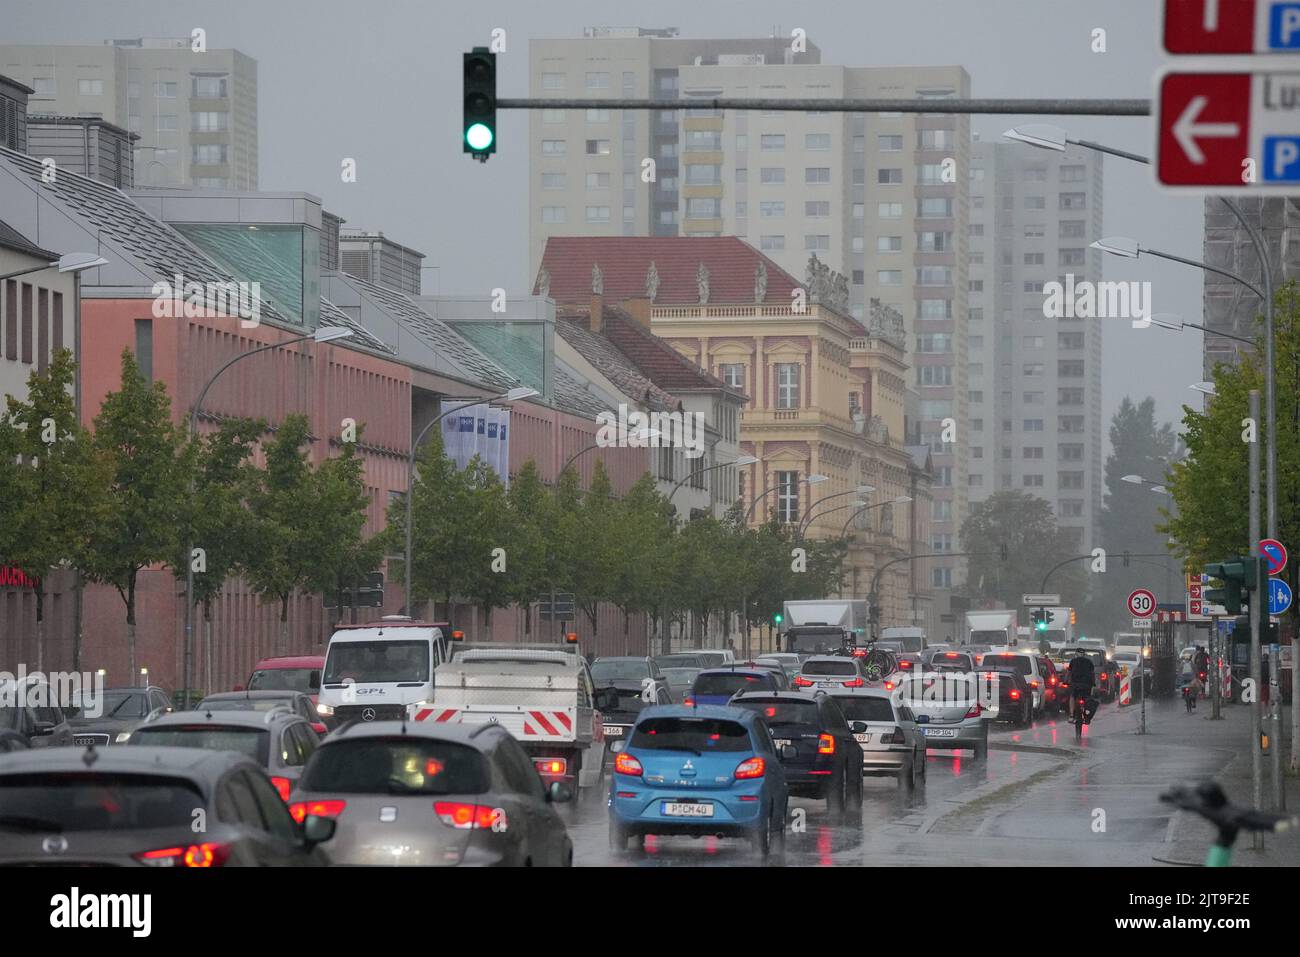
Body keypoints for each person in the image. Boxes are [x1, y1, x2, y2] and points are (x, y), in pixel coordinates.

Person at [1066, 650, 1096, 722]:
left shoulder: (1073, 661)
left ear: (1076, 654)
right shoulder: (1089, 662)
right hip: (1086, 685)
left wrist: (1066, 681)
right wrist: (1093, 683)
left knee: (1072, 697)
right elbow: (1092, 673)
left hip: (1075, 684)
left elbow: (1069, 673)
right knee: (1087, 698)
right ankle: (1086, 714)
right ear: (1084, 655)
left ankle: (1071, 715)